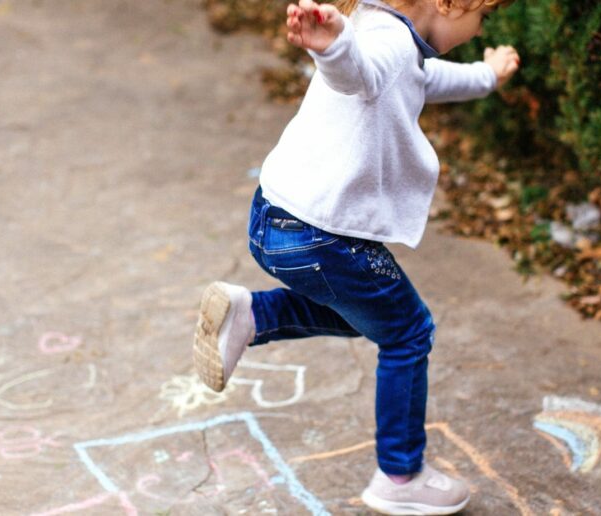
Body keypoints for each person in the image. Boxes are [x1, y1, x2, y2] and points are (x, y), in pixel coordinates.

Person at [193, 0, 519, 513]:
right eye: (486, 15)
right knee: (409, 332)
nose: (483, 28)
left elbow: (426, 78)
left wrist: (487, 75)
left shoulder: (393, 38)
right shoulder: (382, 42)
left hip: (275, 220)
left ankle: (252, 315)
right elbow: (358, 72)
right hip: (320, 237)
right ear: (452, 4)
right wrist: (335, 46)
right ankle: (401, 475)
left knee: (371, 318)